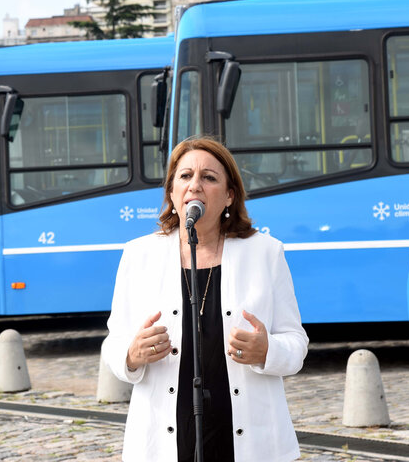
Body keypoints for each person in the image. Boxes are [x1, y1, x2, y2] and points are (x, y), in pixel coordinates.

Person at [104, 137, 309, 462]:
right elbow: (113, 344)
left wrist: (268, 349)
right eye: (185, 176)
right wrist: (131, 354)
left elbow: (296, 343)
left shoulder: (266, 253)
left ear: (230, 195)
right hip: (163, 441)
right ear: (172, 192)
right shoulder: (138, 255)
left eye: (209, 177)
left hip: (251, 442)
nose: (195, 186)